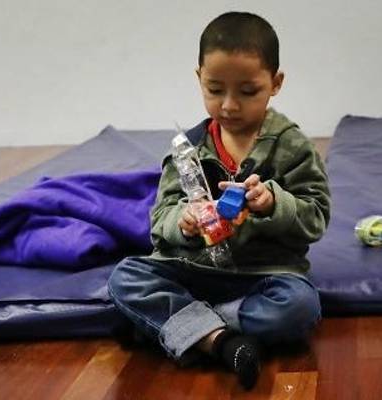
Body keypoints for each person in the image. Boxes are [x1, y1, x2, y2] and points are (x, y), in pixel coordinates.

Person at [108, 11, 330, 390]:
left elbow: (316, 216)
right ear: (199, 79)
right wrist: (184, 220)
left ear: (275, 83)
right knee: (125, 277)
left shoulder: (293, 148)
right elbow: (160, 217)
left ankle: (190, 327)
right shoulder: (187, 150)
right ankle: (224, 341)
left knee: (300, 308)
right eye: (214, 90)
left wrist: (273, 203)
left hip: (262, 275)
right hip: (192, 270)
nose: (229, 105)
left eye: (247, 92)